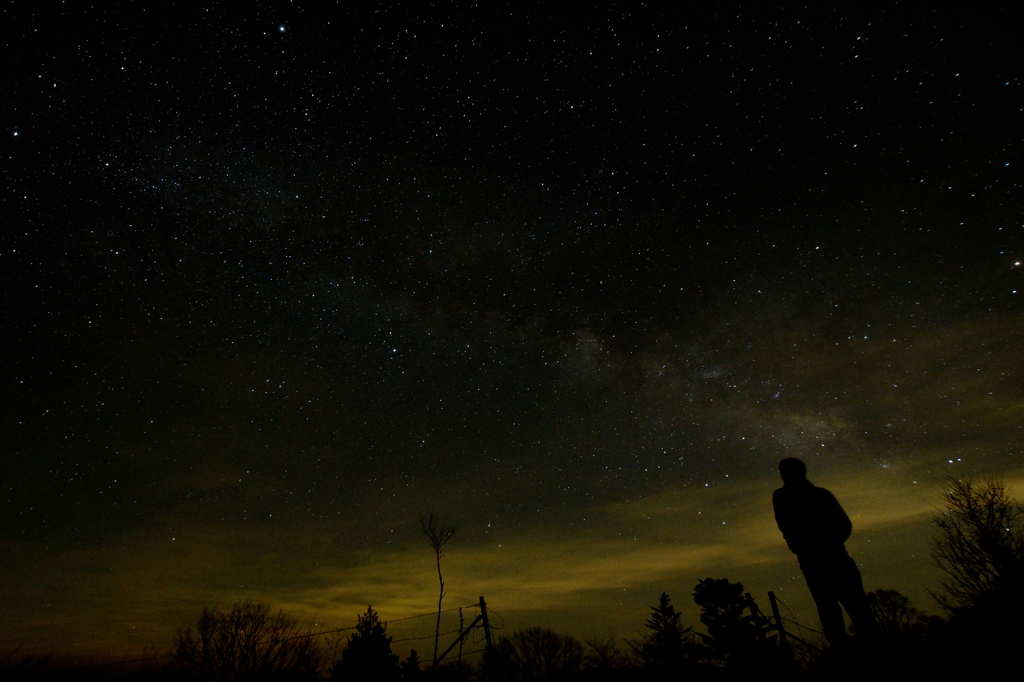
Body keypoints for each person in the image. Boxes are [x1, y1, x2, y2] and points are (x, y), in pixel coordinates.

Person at [772, 458, 878, 646]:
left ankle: (854, 651)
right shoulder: (819, 495)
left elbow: (788, 528)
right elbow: (844, 525)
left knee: (838, 612)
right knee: (849, 611)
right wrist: (829, 542)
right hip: (832, 558)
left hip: (819, 561)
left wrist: (807, 545)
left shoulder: (784, 497)